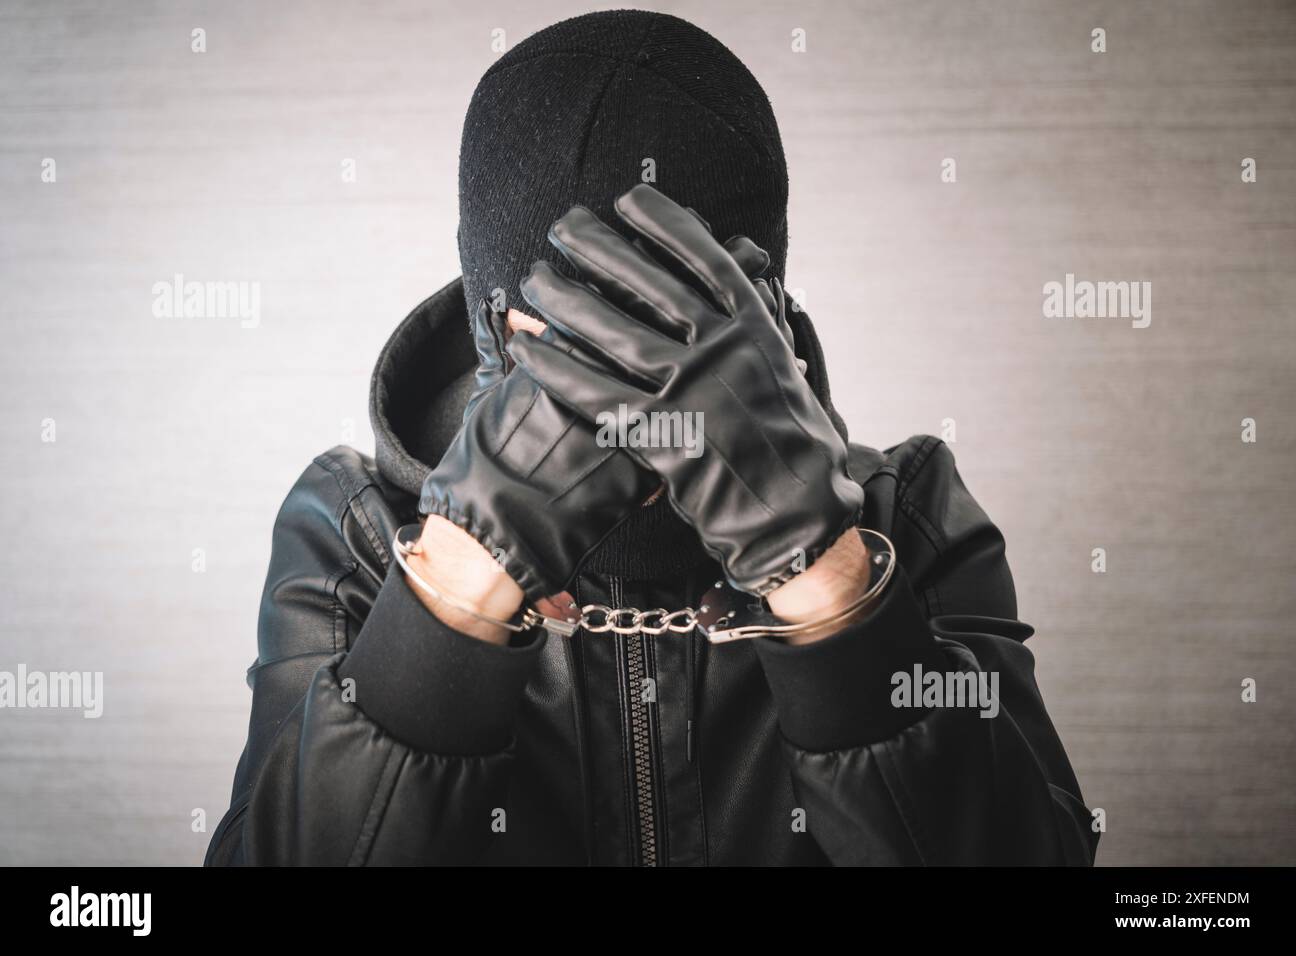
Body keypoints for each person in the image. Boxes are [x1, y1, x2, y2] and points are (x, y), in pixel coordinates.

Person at [205, 9, 1096, 866]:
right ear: (496, 334)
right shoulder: (356, 532)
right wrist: (459, 585)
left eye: (674, 332)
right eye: (577, 348)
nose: (629, 409)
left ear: (762, 323)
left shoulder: (910, 517)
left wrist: (824, 576)